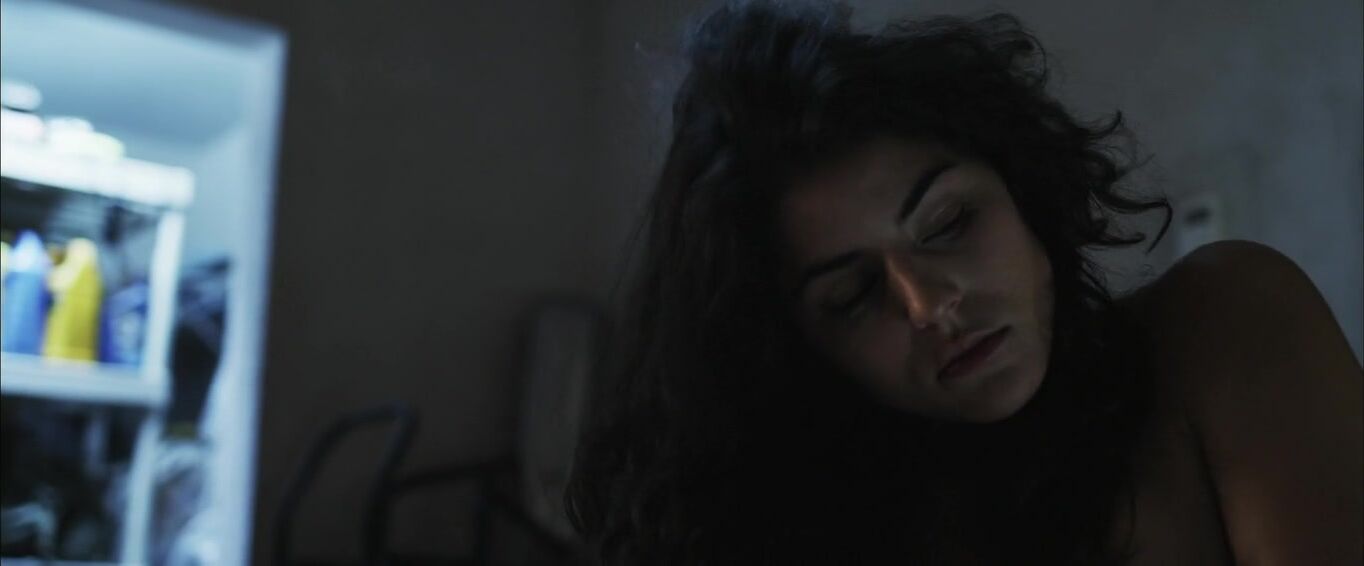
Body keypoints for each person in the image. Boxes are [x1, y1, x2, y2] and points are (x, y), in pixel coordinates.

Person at [564, 1, 1364, 564]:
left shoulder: (1222, 325)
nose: (931, 303)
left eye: (949, 223)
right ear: (798, 350)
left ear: (1024, 194)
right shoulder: (836, 529)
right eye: (852, 296)